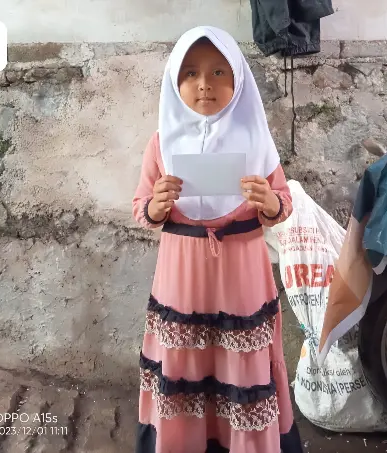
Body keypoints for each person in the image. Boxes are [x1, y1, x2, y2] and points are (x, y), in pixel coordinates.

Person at [132, 25, 303, 453]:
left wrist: (269, 202)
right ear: (174, 81)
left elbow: (283, 201)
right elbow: (141, 207)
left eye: (218, 72)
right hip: (182, 276)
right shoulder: (162, 143)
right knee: (185, 359)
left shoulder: (257, 140)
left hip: (241, 274)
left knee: (240, 361)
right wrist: (156, 206)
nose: (204, 84)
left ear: (238, 79)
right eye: (190, 73)